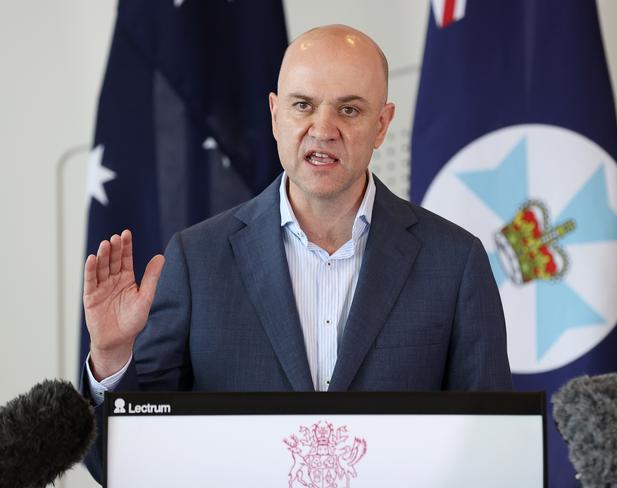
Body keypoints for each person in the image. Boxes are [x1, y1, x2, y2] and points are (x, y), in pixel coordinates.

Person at [82, 25, 512, 482]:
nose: (323, 130)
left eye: (349, 109)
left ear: (382, 125)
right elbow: (119, 464)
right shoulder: (197, 259)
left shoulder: (455, 261)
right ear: (274, 114)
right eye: (302, 105)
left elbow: (494, 455)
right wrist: (111, 357)